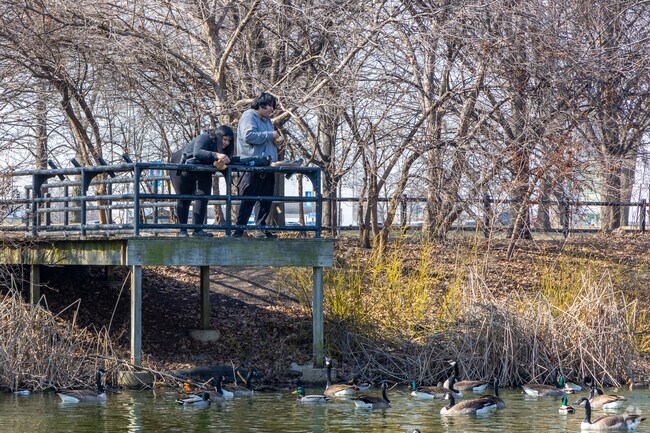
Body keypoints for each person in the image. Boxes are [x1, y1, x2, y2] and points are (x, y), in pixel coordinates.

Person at [233, 92, 284, 238]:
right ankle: (239, 229)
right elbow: (249, 136)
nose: (272, 110)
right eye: (270, 106)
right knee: (249, 198)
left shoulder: (267, 120)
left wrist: (275, 141)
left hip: (268, 165)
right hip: (252, 164)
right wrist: (270, 135)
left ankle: (261, 228)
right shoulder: (249, 116)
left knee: (266, 198)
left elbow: (266, 137)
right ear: (261, 104)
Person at [169, 125, 233, 237]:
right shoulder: (205, 137)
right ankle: (183, 230)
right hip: (183, 167)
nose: (226, 143)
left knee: (203, 197)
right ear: (218, 137)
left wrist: (224, 164)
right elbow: (197, 152)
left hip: (203, 170)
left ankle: (198, 230)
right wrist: (216, 155)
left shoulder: (224, 149)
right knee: (184, 198)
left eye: (229, 140)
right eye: (224, 139)